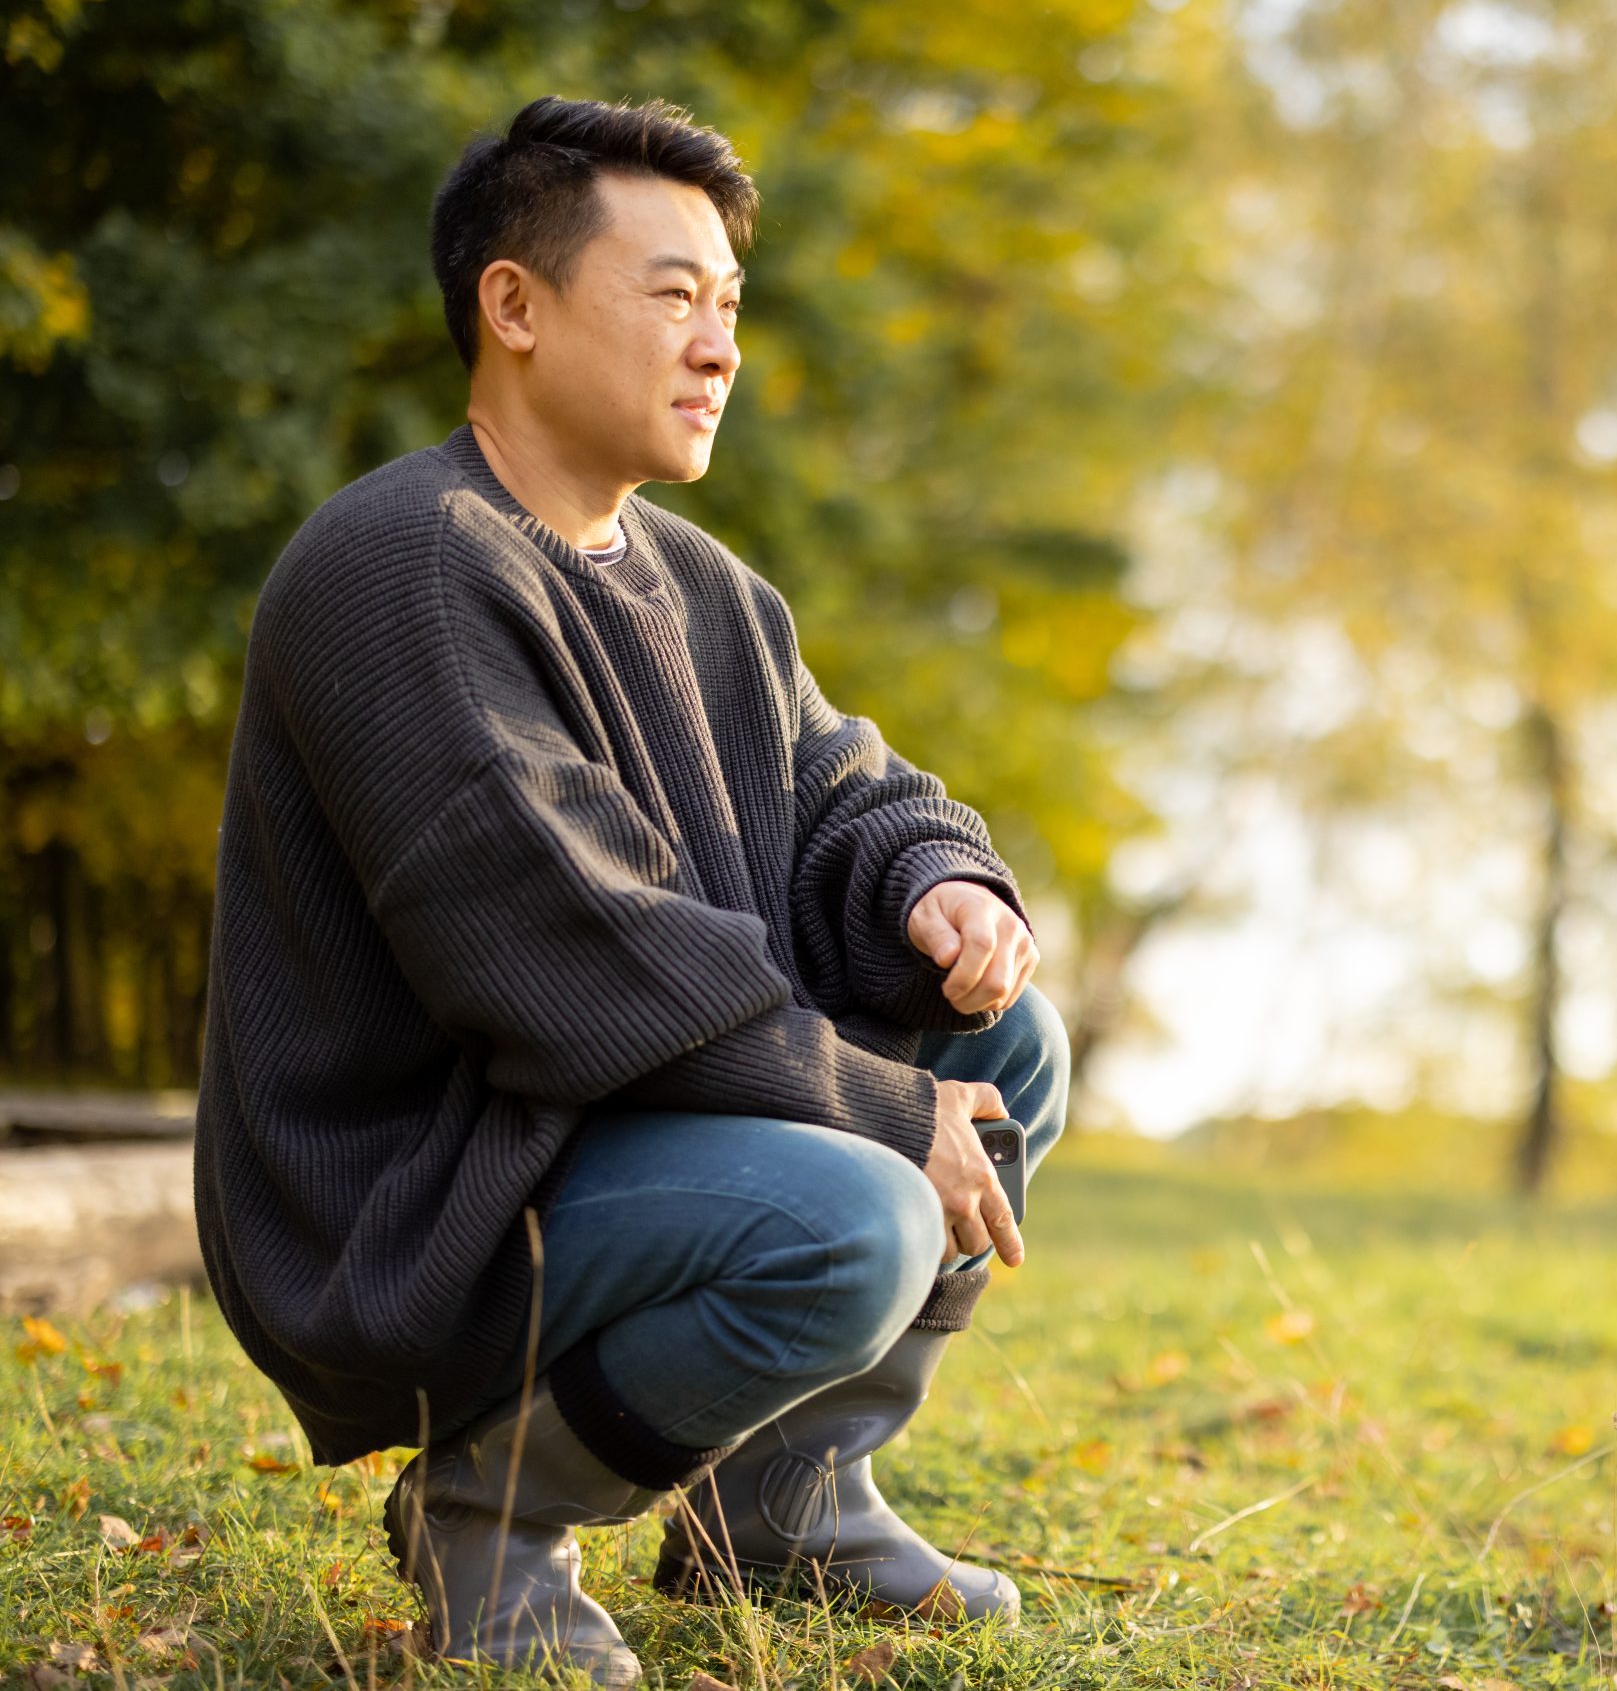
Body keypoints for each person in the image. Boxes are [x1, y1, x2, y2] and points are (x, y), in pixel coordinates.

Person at [189, 94, 1067, 1686]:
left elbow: (844, 794)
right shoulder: (400, 562)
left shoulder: (705, 588)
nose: (718, 346)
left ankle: (781, 1505)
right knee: (863, 1209)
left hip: (613, 1129)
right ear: (511, 307)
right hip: (431, 1195)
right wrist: (874, 1103)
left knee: (1008, 1050)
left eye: (729, 305)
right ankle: (490, 1515)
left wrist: (939, 883)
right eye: (672, 295)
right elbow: (563, 940)